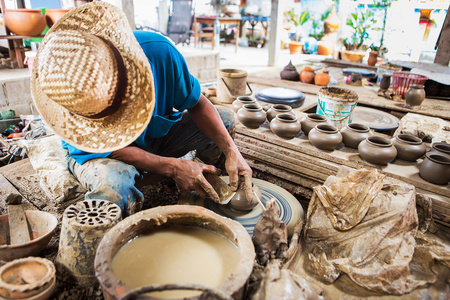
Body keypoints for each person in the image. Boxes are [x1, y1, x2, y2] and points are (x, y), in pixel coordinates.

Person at [30, 2, 253, 217]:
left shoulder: (159, 53)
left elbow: (198, 103)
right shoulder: (70, 98)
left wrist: (232, 151)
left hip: (155, 140)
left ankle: (210, 183)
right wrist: (174, 167)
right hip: (109, 155)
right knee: (115, 188)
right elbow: (113, 150)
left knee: (224, 120)